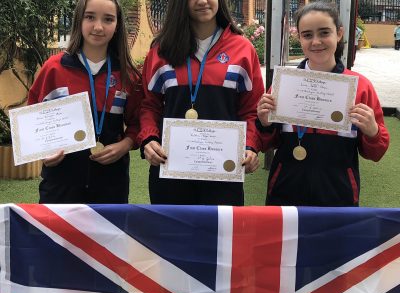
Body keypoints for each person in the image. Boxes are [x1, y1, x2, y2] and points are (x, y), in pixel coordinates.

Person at [256, 1, 390, 207]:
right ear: (299, 37)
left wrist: (372, 131)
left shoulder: (360, 87)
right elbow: (267, 143)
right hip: (284, 193)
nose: (316, 41)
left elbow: (376, 153)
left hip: (338, 196)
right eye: (307, 35)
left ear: (339, 33)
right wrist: (264, 124)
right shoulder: (283, 84)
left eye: (324, 32)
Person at [138, 0, 264, 205]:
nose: (203, 2)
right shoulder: (161, 50)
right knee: (171, 237)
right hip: (170, 173)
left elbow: (251, 110)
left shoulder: (243, 49)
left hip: (223, 176)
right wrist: (149, 139)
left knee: (220, 237)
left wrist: (250, 146)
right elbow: (148, 105)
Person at [28, 0, 143, 204]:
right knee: (58, 237)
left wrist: (125, 145)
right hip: (60, 185)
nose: (98, 27)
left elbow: (137, 123)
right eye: (90, 17)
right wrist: (43, 153)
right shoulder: (53, 69)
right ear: (78, 21)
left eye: (108, 19)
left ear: (117, 25)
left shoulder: (128, 75)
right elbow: (32, 122)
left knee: (107, 237)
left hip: (111, 185)